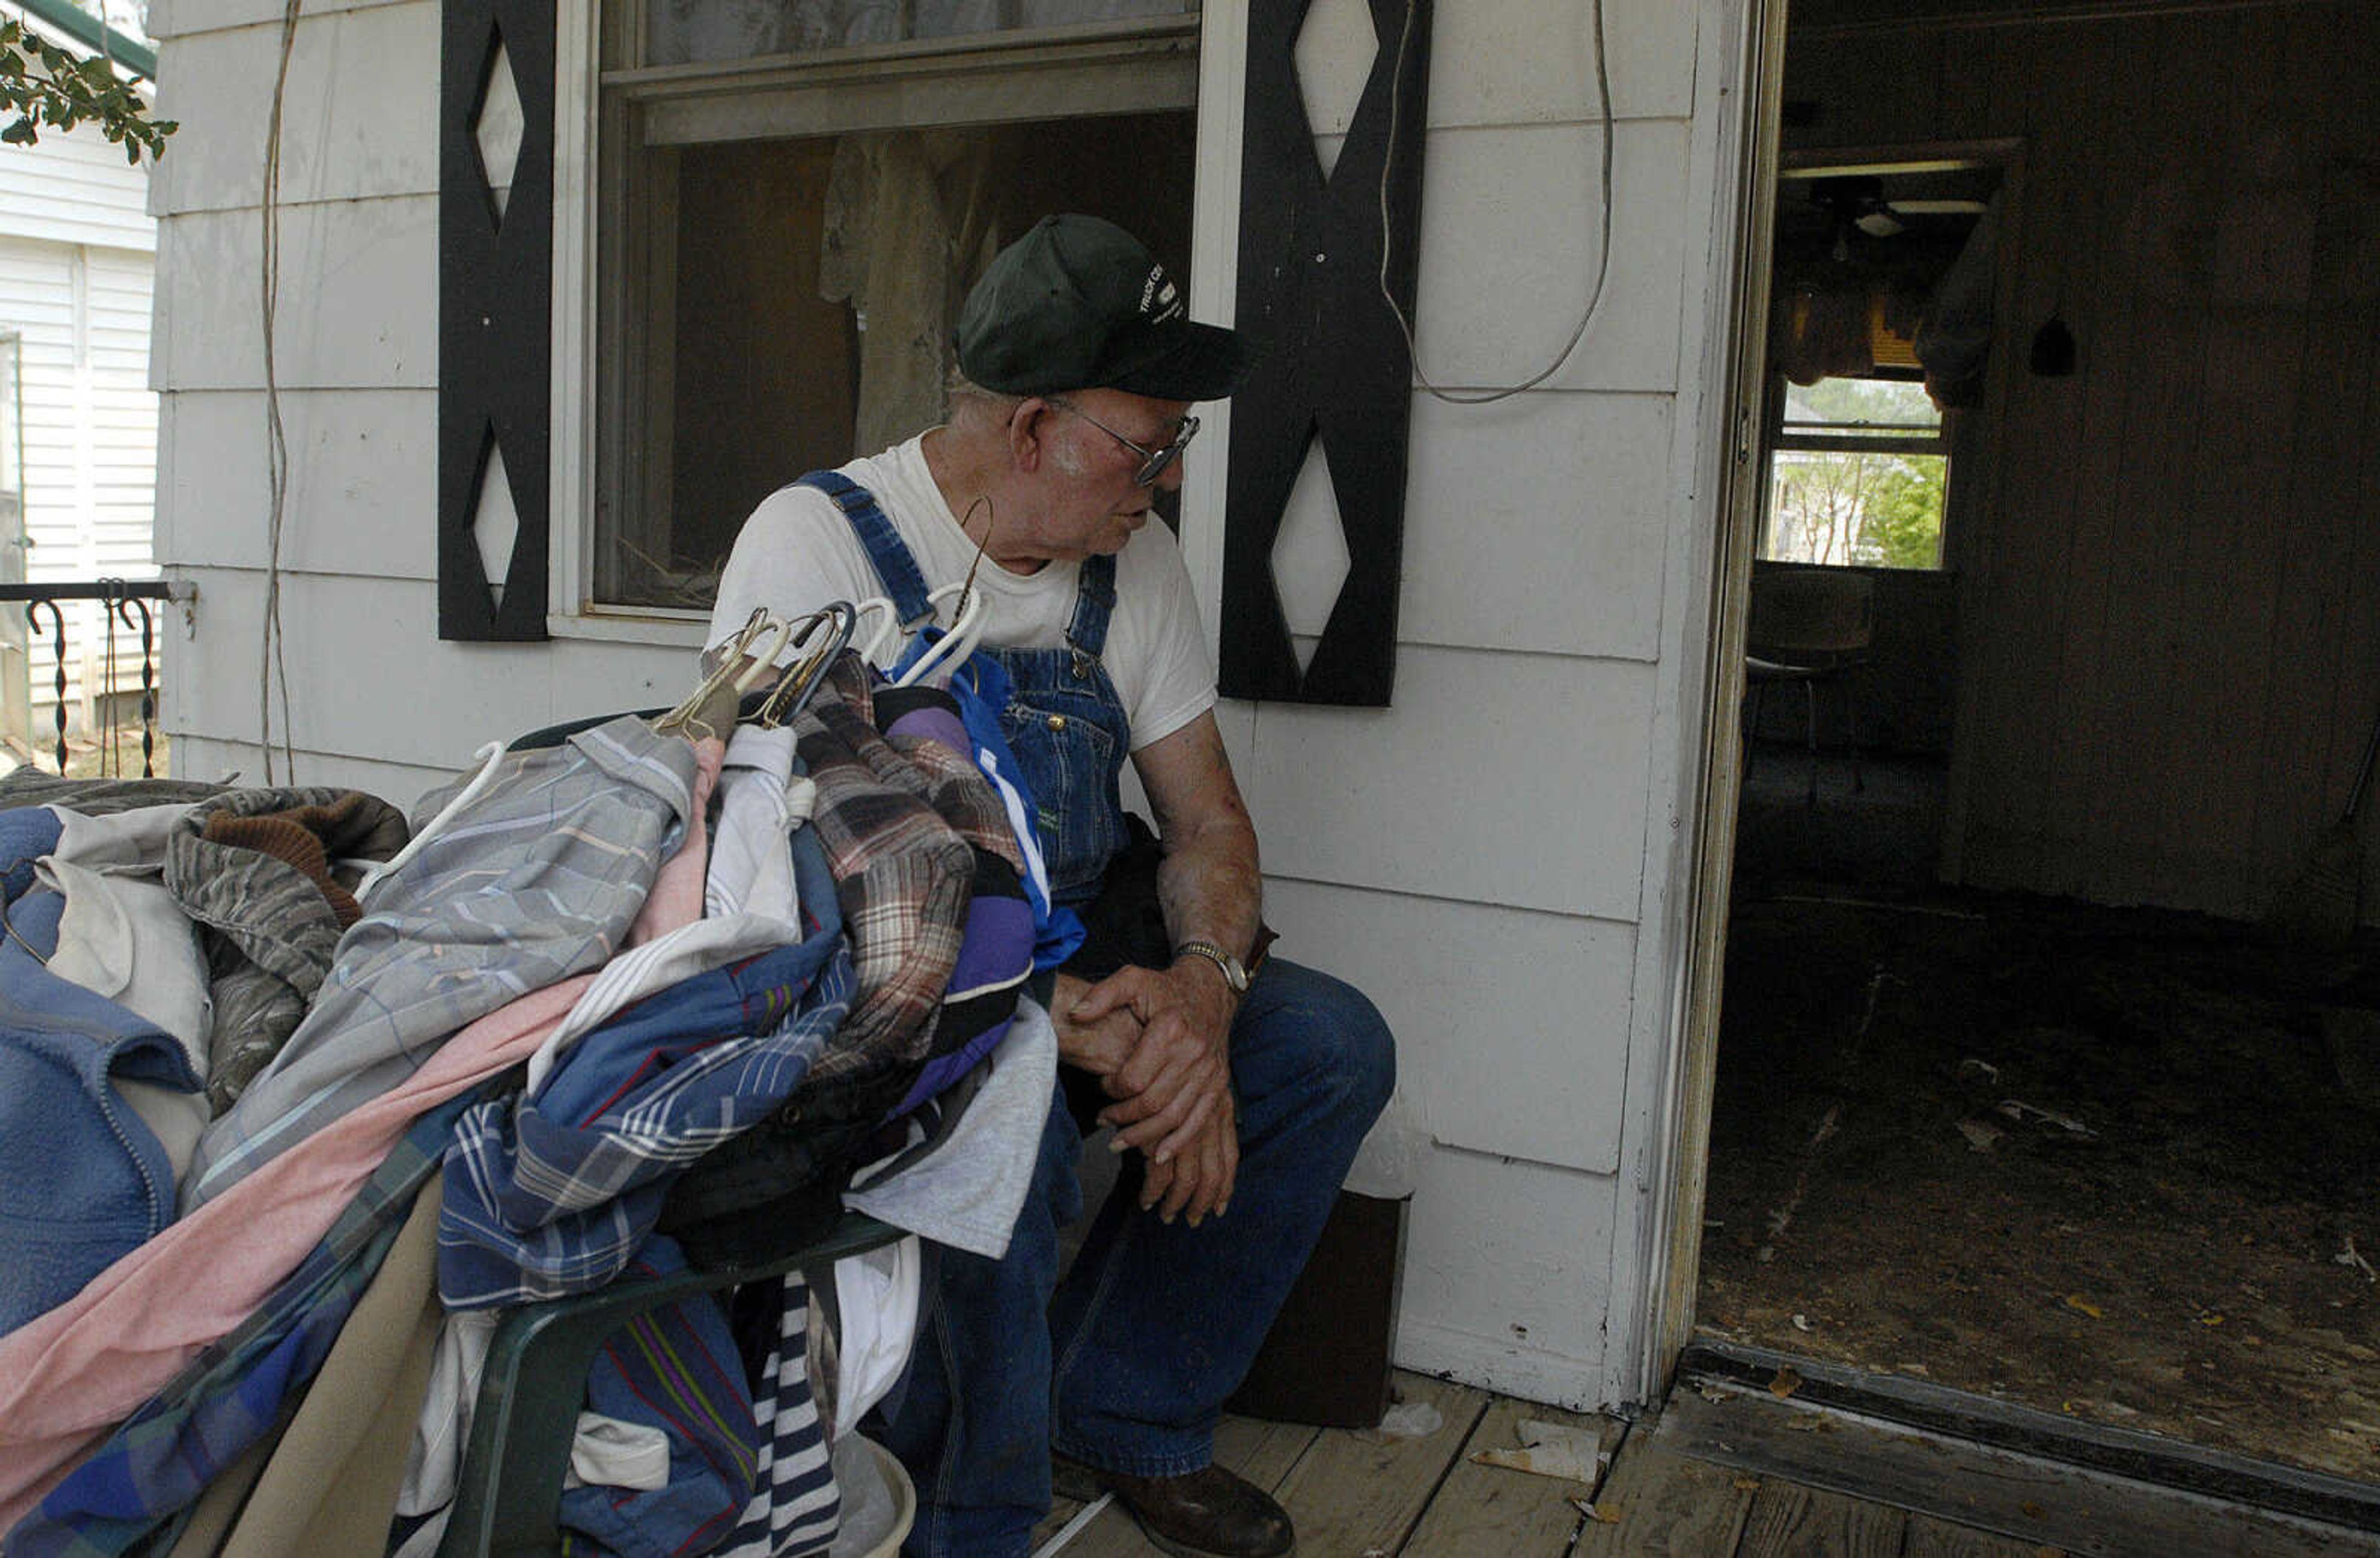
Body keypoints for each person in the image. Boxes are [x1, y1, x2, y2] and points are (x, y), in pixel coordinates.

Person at [707, 213, 1395, 1558]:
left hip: (1100, 956)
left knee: (1325, 1045)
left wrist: (1203, 996)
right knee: (1001, 1134)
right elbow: (756, 860)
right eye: (1148, 447)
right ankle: (970, 1514)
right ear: (1032, 432)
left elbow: (1207, 820)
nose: (1165, 484)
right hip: (893, 985)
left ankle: (1131, 1406)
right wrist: (1025, 1010)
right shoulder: (814, 545)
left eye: (1174, 447)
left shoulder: (1133, 563)